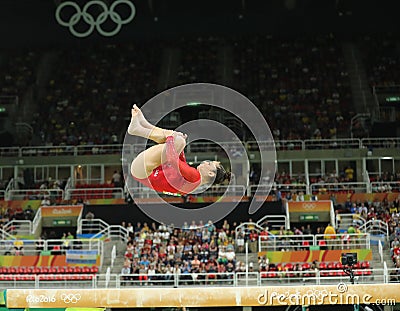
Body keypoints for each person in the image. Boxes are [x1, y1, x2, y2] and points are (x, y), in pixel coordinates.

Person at [128, 105, 230, 195]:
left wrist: (171, 138)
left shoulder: (195, 177)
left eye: (209, 163)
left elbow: (173, 160)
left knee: (178, 141)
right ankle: (141, 126)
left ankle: (140, 127)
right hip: (145, 171)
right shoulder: (194, 181)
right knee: (179, 141)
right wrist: (179, 147)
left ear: (211, 174)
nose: (206, 162)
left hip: (145, 171)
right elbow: (179, 161)